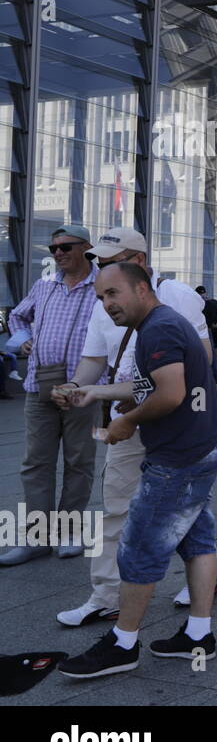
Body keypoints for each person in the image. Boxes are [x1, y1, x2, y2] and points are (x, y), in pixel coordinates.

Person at [57, 262, 217, 679]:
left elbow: (170, 393)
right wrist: (94, 390)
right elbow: (153, 386)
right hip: (199, 450)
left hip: (177, 461)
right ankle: (199, 634)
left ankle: (122, 643)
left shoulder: (158, 329)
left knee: (138, 550)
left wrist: (126, 422)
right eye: (100, 297)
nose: (107, 304)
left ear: (142, 288)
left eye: (113, 294)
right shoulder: (164, 322)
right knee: (197, 542)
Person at [0, 225, 100, 567]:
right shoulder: (44, 286)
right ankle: (36, 538)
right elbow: (16, 316)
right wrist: (23, 339)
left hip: (83, 390)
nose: (57, 254)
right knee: (36, 463)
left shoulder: (102, 286)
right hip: (38, 387)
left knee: (79, 462)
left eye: (65, 247)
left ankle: (70, 533)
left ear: (86, 248)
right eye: (52, 248)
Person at [196, 287, 217, 386]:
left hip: (205, 330)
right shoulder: (213, 302)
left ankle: (208, 376)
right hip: (216, 330)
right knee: (216, 353)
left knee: (208, 353)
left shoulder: (199, 304)